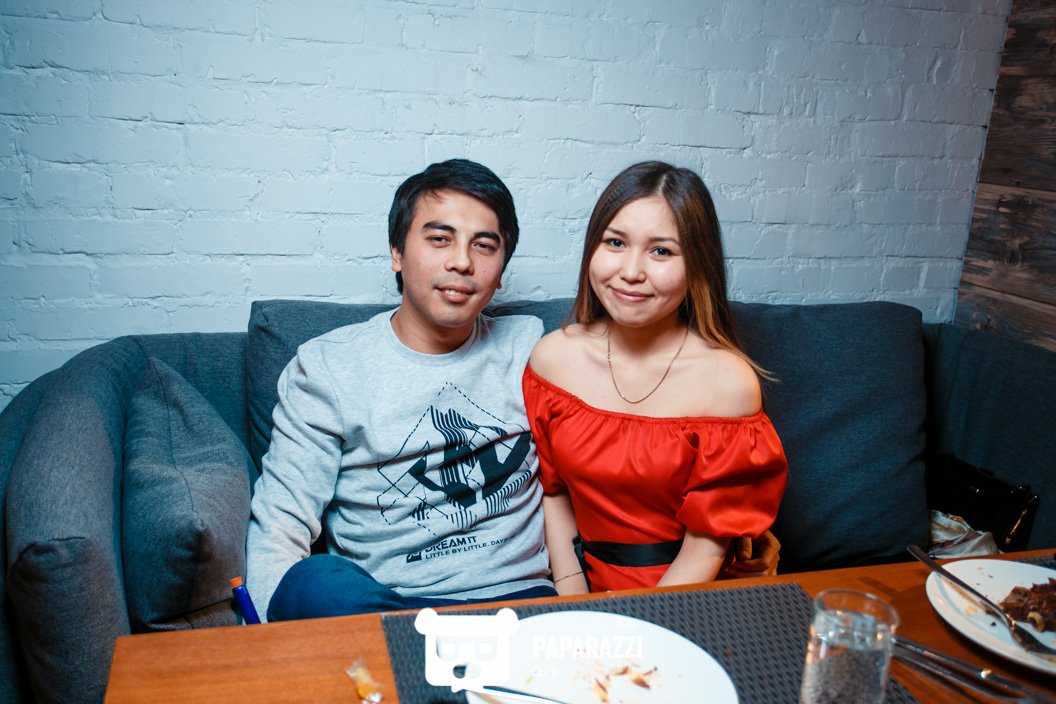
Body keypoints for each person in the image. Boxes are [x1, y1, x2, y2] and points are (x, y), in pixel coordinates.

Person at [247, 159, 780, 621]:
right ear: (396, 253)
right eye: (439, 239)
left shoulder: (532, 349)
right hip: (391, 603)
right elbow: (281, 523)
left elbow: (610, 465)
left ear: (501, 271)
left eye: (484, 246)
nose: (461, 262)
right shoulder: (329, 367)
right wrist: (264, 641)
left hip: (521, 603)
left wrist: (739, 537)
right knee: (315, 583)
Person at [523, 161, 788, 595]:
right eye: (615, 242)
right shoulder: (552, 358)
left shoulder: (730, 383)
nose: (631, 271)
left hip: (688, 591)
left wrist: (643, 616)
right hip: (581, 582)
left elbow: (706, 546)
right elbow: (552, 492)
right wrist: (572, 595)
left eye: (661, 251)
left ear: (697, 266)